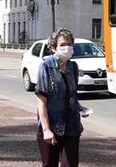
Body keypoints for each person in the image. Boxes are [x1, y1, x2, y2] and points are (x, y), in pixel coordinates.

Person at [35, 28, 88, 167]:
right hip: (51, 126)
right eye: (63, 45)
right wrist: (46, 129)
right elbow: (41, 101)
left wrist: (80, 107)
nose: (67, 48)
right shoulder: (46, 67)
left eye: (69, 44)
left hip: (72, 127)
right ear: (53, 48)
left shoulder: (73, 67)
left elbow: (71, 94)